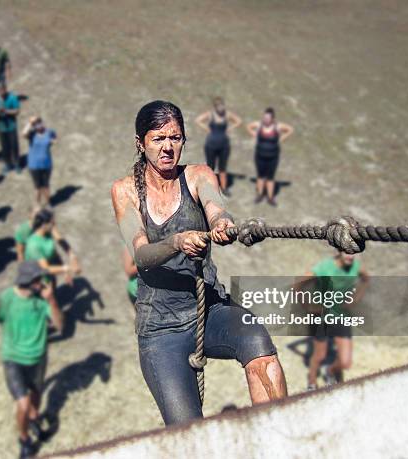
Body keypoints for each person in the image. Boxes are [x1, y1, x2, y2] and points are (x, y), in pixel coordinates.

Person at [111, 100, 287, 426]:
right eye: (158, 139)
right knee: (189, 434)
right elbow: (141, 255)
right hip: (160, 329)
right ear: (141, 143)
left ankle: (279, 438)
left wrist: (222, 223)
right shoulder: (124, 191)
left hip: (211, 310)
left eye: (175, 138)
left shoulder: (198, 175)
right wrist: (176, 241)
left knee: (258, 343)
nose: (168, 148)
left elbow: (216, 208)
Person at [0, 261, 63, 458]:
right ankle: (25, 439)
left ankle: (34, 419)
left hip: (38, 357)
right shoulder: (6, 299)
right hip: (13, 360)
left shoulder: (42, 299)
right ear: (28, 281)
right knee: (24, 404)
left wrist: (51, 300)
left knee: (36, 397)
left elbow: (59, 326)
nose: (43, 282)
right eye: (39, 279)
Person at [296, 250, 369, 390]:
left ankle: (330, 371)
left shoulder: (356, 266)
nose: (350, 256)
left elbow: (366, 279)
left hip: (341, 316)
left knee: (345, 362)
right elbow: (298, 285)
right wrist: (307, 306)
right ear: (339, 251)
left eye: (353, 252)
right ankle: (311, 383)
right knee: (319, 354)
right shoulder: (324, 267)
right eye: (347, 251)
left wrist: (356, 298)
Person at [246, 108, 294, 206]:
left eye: (267, 118)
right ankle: (259, 195)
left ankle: (270, 198)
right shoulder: (259, 125)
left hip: (273, 157)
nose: (265, 119)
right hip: (260, 156)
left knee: (270, 178)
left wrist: (281, 138)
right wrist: (254, 134)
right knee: (260, 176)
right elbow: (249, 126)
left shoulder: (277, 126)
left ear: (272, 118)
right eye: (264, 117)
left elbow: (290, 129)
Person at [195, 97, 241, 196]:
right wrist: (207, 128)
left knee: (222, 168)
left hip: (224, 145)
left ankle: (224, 188)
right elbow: (198, 120)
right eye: (219, 106)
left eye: (222, 105)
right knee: (210, 167)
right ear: (215, 107)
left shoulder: (227, 114)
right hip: (211, 145)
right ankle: (210, 187)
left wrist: (230, 128)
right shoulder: (210, 114)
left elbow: (238, 121)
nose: (221, 108)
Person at [24, 207, 81, 286]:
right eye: (52, 223)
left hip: (48, 273)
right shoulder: (34, 245)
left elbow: (61, 241)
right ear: (44, 225)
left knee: (52, 288)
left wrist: (72, 256)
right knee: (48, 295)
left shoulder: (48, 230)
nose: (54, 225)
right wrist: (67, 268)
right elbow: (45, 269)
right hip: (38, 278)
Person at [15, 206, 80, 270]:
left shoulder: (47, 224)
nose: (39, 216)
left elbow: (59, 239)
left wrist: (71, 254)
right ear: (30, 215)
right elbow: (20, 253)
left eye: (41, 213)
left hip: (47, 257)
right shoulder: (23, 231)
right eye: (36, 214)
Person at [23, 116, 56, 205]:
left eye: (39, 123)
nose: (38, 126)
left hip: (46, 164)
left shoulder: (49, 132)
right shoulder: (32, 134)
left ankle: (48, 203)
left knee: (46, 186)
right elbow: (24, 134)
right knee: (37, 187)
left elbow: (55, 137)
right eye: (36, 124)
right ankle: (37, 205)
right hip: (34, 165)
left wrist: (53, 141)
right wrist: (30, 123)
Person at [0, 82, 21, 174]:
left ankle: (16, 164)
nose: (1, 92)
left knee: (14, 146)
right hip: (1, 127)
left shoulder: (12, 97)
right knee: (4, 147)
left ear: (5, 89)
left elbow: (17, 111)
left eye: (2, 89)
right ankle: (7, 164)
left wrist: (6, 111)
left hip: (11, 126)